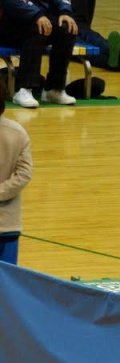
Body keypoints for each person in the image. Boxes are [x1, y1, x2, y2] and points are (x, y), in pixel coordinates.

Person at [0, 0, 78, 108]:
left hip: (38, 18)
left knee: (67, 28)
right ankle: (23, 89)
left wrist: (65, 12)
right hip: (9, 24)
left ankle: (54, 89)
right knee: (38, 27)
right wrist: (36, 14)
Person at [0, 77, 33, 264]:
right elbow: (24, 175)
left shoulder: (17, 133)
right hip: (8, 225)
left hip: (7, 229)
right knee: (6, 280)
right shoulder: (17, 132)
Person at [71, 0, 120, 72]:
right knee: (91, 38)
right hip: (77, 22)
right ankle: (119, 52)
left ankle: (113, 60)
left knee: (81, 46)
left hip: (65, 25)